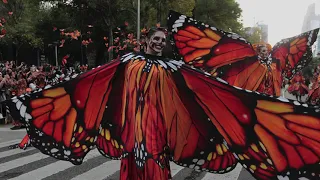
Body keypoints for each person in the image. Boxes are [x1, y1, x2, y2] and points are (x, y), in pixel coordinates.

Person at [5, 12, 320, 180]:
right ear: (146, 41)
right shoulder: (127, 61)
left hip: (159, 135)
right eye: (154, 39)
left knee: (156, 169)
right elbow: (88, 82)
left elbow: (209, 90)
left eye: (163, 40)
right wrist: (35, 101)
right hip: (129, 133)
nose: (158, 43)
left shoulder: (175, 68)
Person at [169, 11, 319, 97]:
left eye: (266, 51)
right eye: (262, 51)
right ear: (258, 52)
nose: (265, 53)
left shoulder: (275, 63)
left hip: (272, 97)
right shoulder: (249, 61)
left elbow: (284, 64)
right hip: (251, 97)